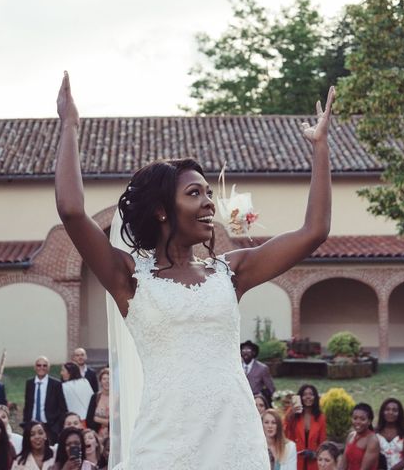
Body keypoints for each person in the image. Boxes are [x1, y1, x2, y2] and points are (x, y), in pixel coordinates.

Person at [54, 71, 335, 468]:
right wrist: (69, 126)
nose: (208, 203)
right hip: (167, 444)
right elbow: (70, 210)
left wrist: (320, 148)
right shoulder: (130, 279)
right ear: (161, 210)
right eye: (194, 193)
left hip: (235, 438)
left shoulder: (230, 272)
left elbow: (314, 231)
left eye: (208, 193)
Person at [23, 356, 67, 445]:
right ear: (35, 367)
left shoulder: (56, 384)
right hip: (32, 424)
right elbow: (28, 405)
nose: (41, 368)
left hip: (50, 425)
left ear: (48, 368)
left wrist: (57, 427)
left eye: (44, 365)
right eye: (39, 365)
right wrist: (26, 423)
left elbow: (63, 408)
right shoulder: (30, 383)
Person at [284, 384, 327, 470]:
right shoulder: (293, 414)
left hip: (313, 459)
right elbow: (284, 431)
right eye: (304, 394)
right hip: (296, 457)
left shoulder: (320, 417)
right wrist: (290, 414)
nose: (308, 397)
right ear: (300, 397)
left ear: (315, 397)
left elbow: (322, 441)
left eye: (311, 394)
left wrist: (316, 454)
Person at [338, 403, 379, 470]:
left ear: (369, 421)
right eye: (355, 418)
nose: (358, 422)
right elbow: (343, 463)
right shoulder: (351, 435)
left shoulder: (372, 440)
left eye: (362, 419)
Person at [376, 398, 404, 470]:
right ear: (382, 412)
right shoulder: (375, 432)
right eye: (387, 409)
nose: (391, 412)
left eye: (394, 410)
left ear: (399, 413)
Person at [85, 368, 109, 438]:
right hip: (97, 434)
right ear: (100, 381)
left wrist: (97, 419)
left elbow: (117, 422)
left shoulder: (118, 398)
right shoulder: (95, 397)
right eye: (104, 379)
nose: (107, 381)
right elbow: (89, 420)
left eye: (109, 379)